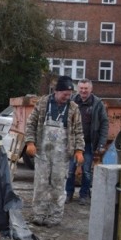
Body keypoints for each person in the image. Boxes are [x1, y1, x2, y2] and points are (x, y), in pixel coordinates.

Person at [24, 75, 85, 227]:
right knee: (41, 184)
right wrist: (30, 142)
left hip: (62, 154)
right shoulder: (43, 103)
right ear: (57, 91)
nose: (67, 97)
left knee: (58, 185)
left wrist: (79, 150)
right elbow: (31, 123)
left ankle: (54, 216)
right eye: (64, 94)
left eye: (69, 94)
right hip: (42, 153)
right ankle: (39, 214)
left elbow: (78, 131)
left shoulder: (73, 108)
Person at [65, 78, 109, 205]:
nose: (83, 91)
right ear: (78, 89)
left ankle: (84, 195)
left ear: (91, 89)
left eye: (86, 88)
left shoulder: (97, 103)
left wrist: (101, 143)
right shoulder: (71, 101)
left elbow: (104, 124)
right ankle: (69, 194)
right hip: (72, 143)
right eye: (81, 88)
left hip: (88, 144)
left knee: (86, 171)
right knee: (70, 170)